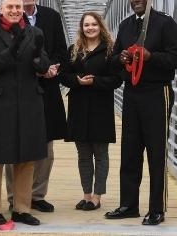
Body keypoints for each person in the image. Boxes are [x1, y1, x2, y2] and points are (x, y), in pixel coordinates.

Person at [103, 0, 177, 225]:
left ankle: (157, 209)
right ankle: (129, 204)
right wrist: (122, 58)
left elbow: (176, 59)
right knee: (130, 150)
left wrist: (151, 57)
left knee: (156, 152)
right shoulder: (125, 26)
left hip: (157, 92)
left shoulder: (165, 23)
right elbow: (113, 57)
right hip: (132, 93)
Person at [0, 0, 51, 228]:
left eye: (18, 7)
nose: (14, 11)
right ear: (1, 8)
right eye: (10, 6)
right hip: (2, 102)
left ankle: (21, 209)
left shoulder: (35, 32)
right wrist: (14, 48)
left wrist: (40, 60)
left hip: (30, 101)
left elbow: (44, 66)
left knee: (26, 157)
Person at [3, 0, 69, 213]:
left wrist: (51, 68)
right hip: (20, 89)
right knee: (15, 144)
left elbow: (62, 51)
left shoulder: (51, 17)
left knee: (46, 147)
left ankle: (37, 195)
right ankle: (14, 197)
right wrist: (37, 69)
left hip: (47, 89)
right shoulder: (9, 19)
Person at [59, 11, 122, 212]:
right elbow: (63, 75)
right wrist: (76, 80)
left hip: (100, 108)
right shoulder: (73, 50)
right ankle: (86, 195)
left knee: (101, 154)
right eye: (86, 25)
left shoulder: (110, 51)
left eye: (94, 24)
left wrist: (96, 81)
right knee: (83, 155)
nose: (90, 28)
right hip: (78, 107)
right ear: (81, 28)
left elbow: (116, 79)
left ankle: (97, 196)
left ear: (100, 26)